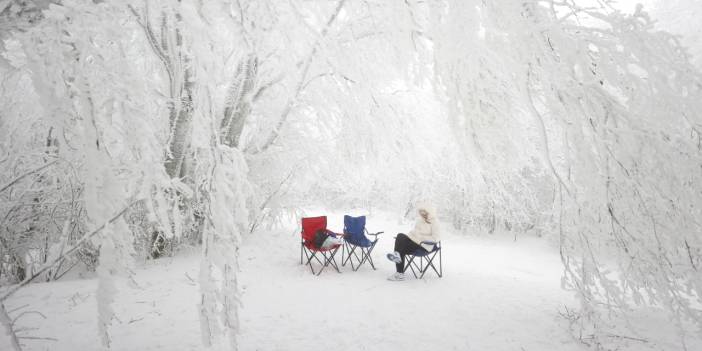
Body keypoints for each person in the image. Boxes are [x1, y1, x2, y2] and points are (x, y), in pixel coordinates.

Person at [386, 205, 440, 281]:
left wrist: (420, 238)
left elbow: (436, 238)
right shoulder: (420, 220)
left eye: (424, 212)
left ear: (429, 212)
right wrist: (409, 237)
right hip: (414, 242)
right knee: (400, 236)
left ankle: (398, 267)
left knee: (401, 247)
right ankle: (399, 270)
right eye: (421, 212)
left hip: (424, 245)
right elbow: (414, 232)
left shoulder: (435, 222)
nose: (422, 214)